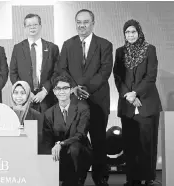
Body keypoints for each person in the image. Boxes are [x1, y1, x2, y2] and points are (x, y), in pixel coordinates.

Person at [54, 9, 113, 186]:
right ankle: (76, 177)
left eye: (86, 22)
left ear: (93, 23)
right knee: (75, 140)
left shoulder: (105, 44)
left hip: (97, 100)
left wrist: (85, 88)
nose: (82, 25)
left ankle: (100, 177)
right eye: (79, 22)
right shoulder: (67, 44)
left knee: (98, 140)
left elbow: (105, 71)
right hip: (75, 100)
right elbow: (61, 69)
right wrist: (74, 88)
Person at [113, 19, 162, 186]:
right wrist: (128, 94)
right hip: (127, 105)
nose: (130, 35)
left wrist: (136, 93)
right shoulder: (120, 52)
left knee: (147, 143)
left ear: (139, 32)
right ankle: (132, 178)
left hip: (146, 103)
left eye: (133, 32)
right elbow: (117, 77)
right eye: (127, 32)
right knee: (130, 143)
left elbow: (151, 76)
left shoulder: (150, 50)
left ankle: (149, 178)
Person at [43, 75, 93, 186]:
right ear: (54, 91)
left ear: (71, 90)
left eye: (65, 88)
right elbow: (47, 139)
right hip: (60, 154)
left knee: (74, 147)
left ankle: (77, 180)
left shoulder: (83, 108)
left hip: (79, 151)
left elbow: (81, 135)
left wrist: (62, 143)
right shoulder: (49, 114)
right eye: (58, 88)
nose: (62, 91)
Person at [10, 14, 59, 112]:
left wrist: (45, 91)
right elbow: (13, 73)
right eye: (29, 25)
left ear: (40, 26)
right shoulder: (18, 48)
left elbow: (57, 72)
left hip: (47, 98)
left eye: (35, 24)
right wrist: (26, 91)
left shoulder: (52, 48)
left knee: (47, 126)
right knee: (29, 126)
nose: (32, 27)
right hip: (25, 99)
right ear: (24, 28)